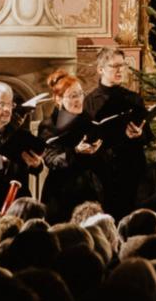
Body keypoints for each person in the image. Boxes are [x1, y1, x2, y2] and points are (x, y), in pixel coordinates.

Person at [85, 46, 149, 214]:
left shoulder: (134, 99)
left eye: (122, 65)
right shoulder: (89, 102)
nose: (120, 70)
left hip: (131, 168)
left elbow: (149, 136)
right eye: (114, 66)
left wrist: (139, 134)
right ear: (101, 69)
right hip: (103, 171)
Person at [39, 70, 106, 220]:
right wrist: (75, 151)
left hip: (90, 193)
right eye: (73, 96)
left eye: (81, 94)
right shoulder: (49, 126)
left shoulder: (90, 121)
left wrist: (97, 150)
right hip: (61, 194)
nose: (79, 99)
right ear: (58, 99)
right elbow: (52, 160)